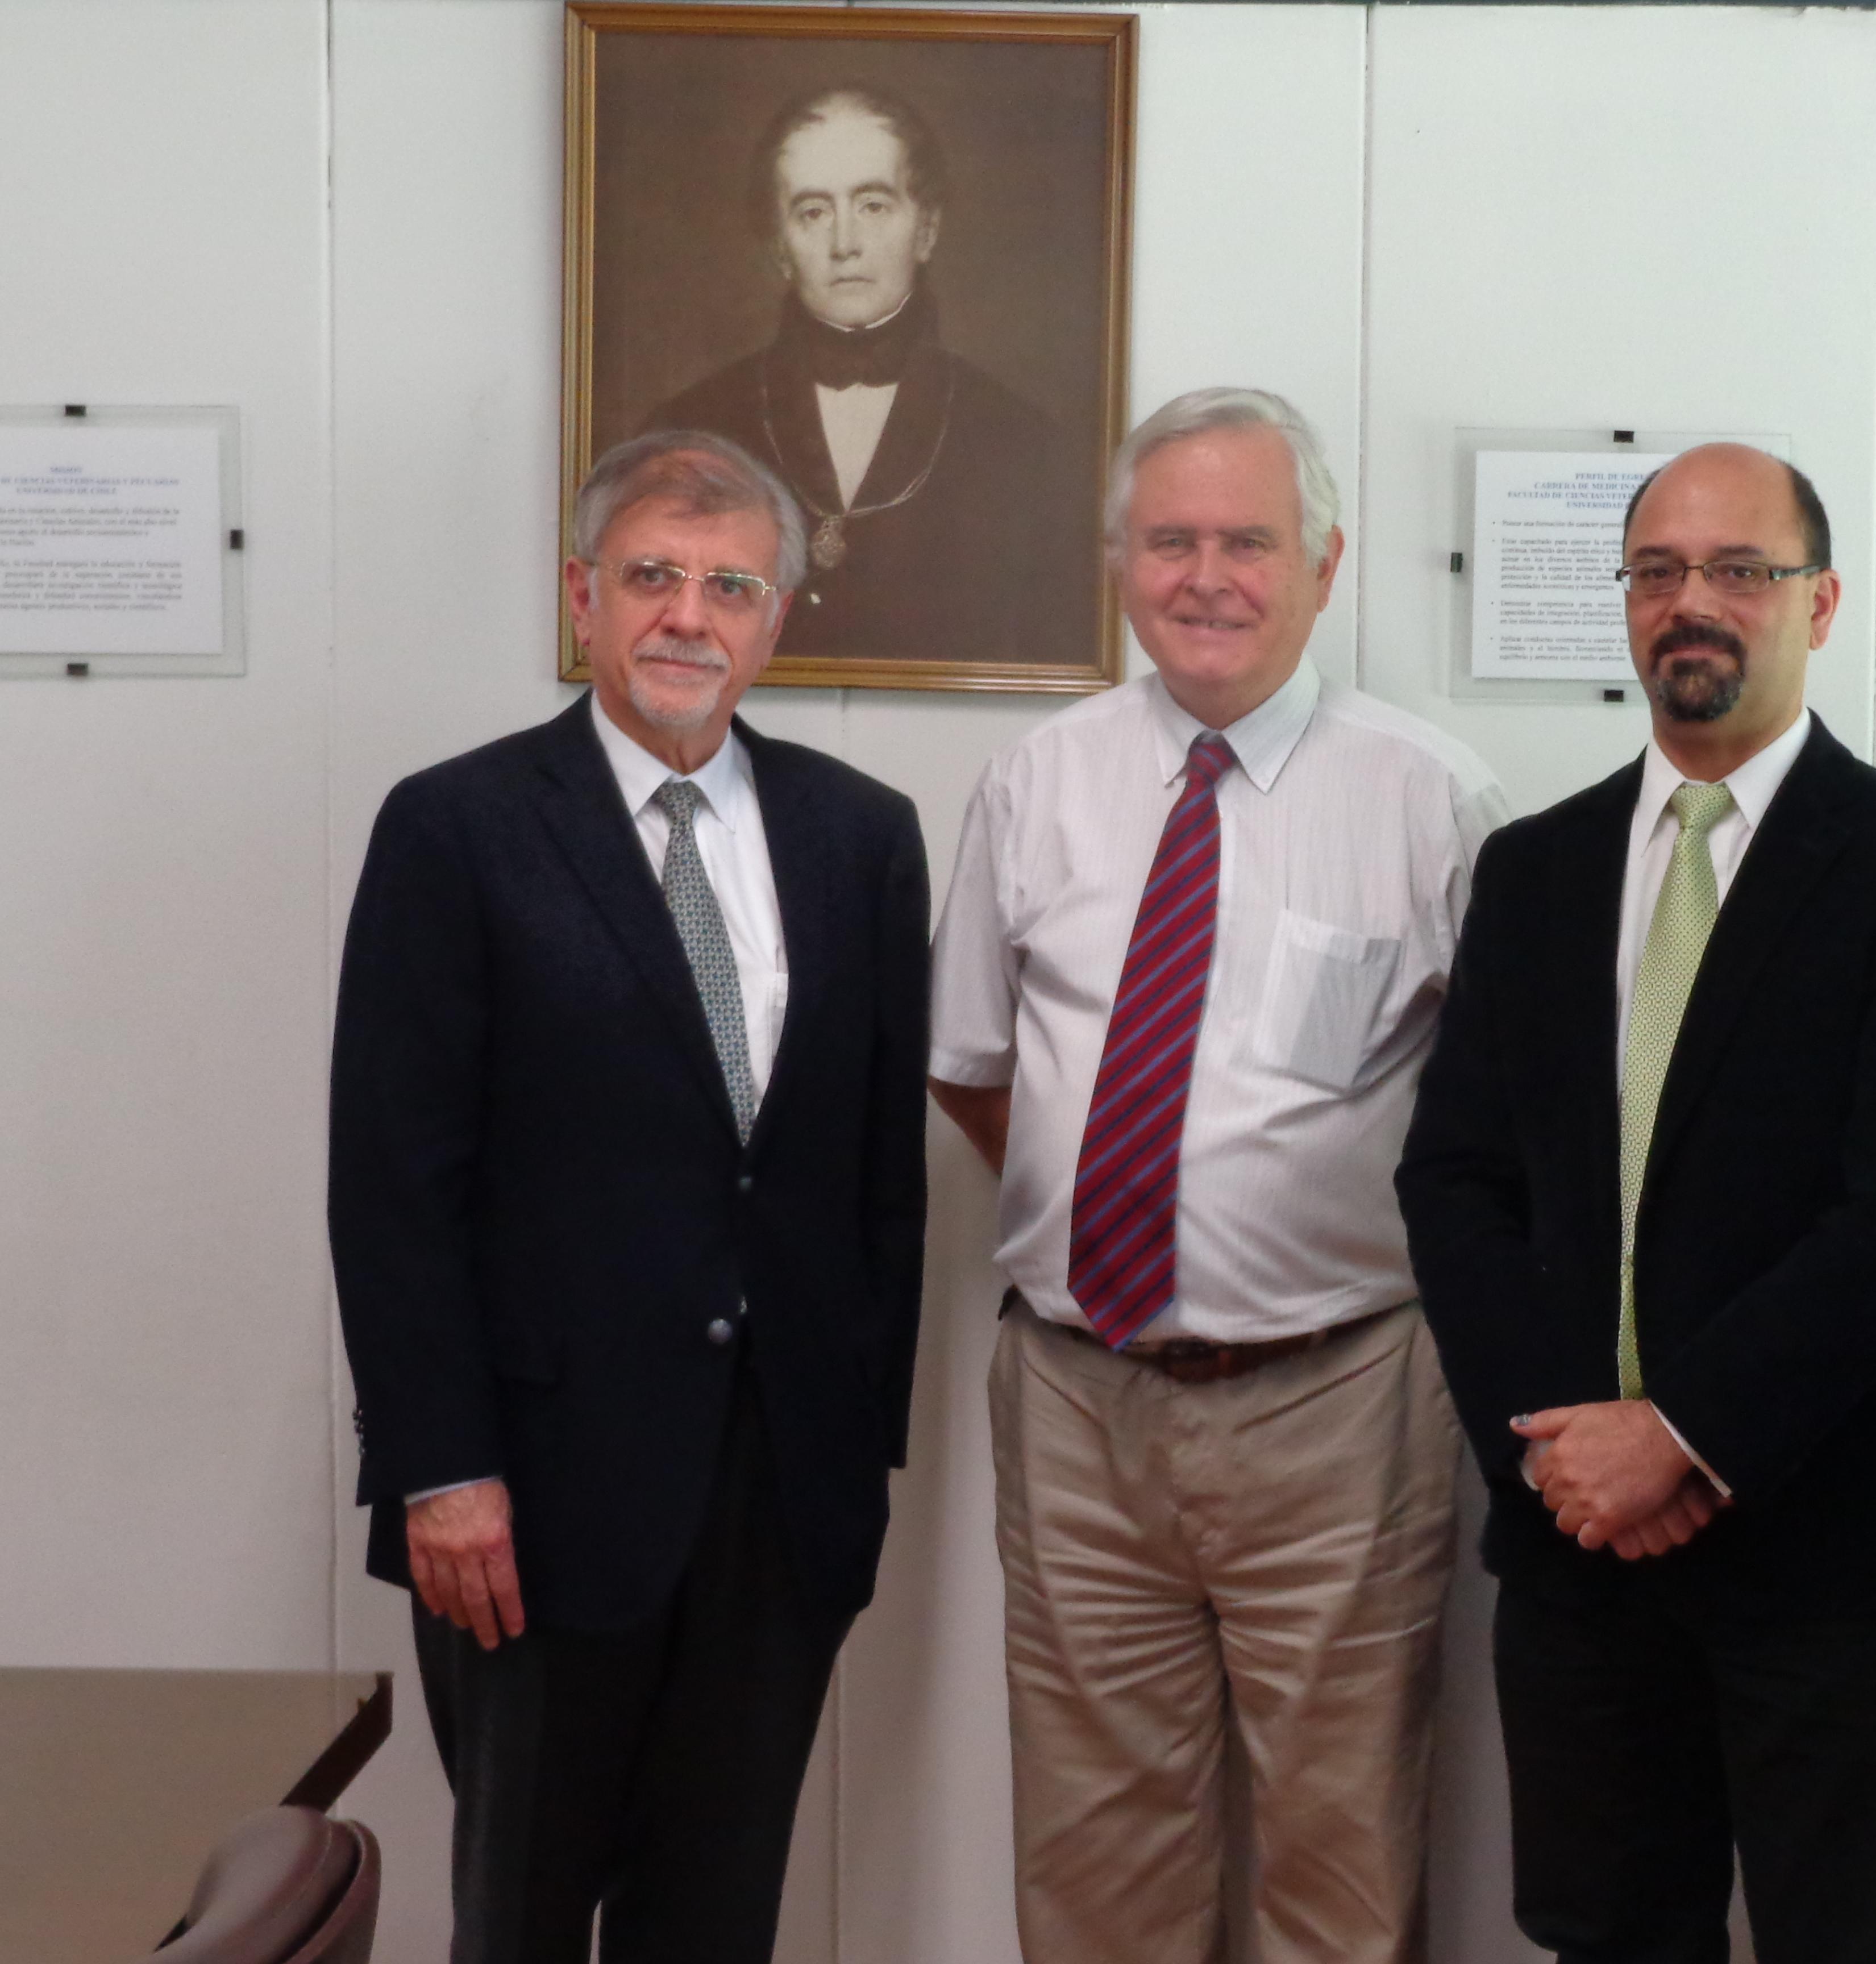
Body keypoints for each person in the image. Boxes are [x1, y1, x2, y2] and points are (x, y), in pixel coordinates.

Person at [1396, 442, 1876, 1964]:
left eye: (1740, 570)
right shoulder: (1533, 872)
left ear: (1822, 600)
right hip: (1580, 1553)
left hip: (1825, 1545)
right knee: (1605, 1935)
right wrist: (1562, 1450)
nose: (1697, 604)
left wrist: (1677, 1438)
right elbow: (1455, 1176)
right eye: (1661, 571)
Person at [328, 430, 929, 1962]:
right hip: (530, 1498)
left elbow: (877, 1182)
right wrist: (439, 1465)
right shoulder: (457, 828)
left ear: (778, 616)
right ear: (583, 594)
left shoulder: (860, 837)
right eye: (654, 576)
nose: (689, 617)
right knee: (520, 1916)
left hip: (777, 1498)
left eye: (731, 585)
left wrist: (857, 1456)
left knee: (714, 1923)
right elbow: (394, 1182)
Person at [927, 386, 1508, 1964]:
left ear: (1323, 563)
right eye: (1169, 540)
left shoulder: (1428, 797)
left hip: (1339, 1400)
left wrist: (1249, 1232)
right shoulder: (1037, 781)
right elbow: (975, 1072)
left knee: (1340, 1861)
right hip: (1073, 1397)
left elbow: (1497, 1123)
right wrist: (1132, 1224)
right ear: (1119, 561)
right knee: (1096, 1858)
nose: (1207, 576)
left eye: (1247, 541)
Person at [650, 84, 1096, 671]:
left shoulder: (1028, 446)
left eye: (873, 206)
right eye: (813, 212)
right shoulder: (685, 430)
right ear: (782, 247)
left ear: (928, 228)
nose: (845, 244)